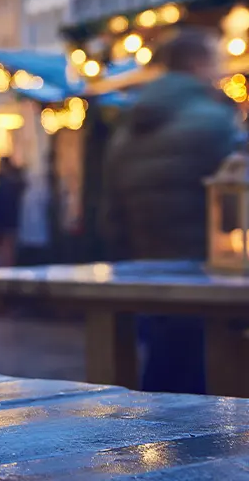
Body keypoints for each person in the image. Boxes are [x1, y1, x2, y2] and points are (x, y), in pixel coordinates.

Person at [102, 27, 243, 394]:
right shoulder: (214, 121)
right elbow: (235, 202)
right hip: (206, 274)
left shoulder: (129, 126)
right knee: (206, 382)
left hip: (146, 270)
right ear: (199, 64)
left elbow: (110, 212)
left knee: (162, 376)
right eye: (216, 63)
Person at [0, 157, 26, 268]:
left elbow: (0, 205)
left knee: (5, 254)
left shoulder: (5, 186)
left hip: (5, 225)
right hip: (8, 225)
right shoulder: (12, 184)